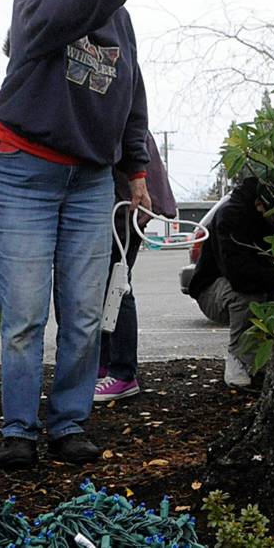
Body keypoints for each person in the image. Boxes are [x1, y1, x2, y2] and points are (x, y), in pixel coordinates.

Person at [0, 0, 195, 470]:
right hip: (23, 173)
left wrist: (136, 172)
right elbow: (66, 16)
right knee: (26, 315)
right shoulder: (36, 0)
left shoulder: (119, 19)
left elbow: (132, 101)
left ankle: (70, 423)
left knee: (82, 312)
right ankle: (19, 431)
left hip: (89, 184)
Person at [95, 131, 176, 401]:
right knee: (106, 283)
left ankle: (122, 372)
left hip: (125, 198)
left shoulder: (120, 110)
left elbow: (132, 144)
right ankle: (106, 365)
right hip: (122, 196)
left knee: (116, 282)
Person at [186, 177, 274, 387]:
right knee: (246, 296)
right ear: (259, 203)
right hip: (214, 289)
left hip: (254, 284)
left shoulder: (269, 216)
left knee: (270, 296)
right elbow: (239, 275)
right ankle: (237, 358)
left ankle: (264, 362)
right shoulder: (230, 217)